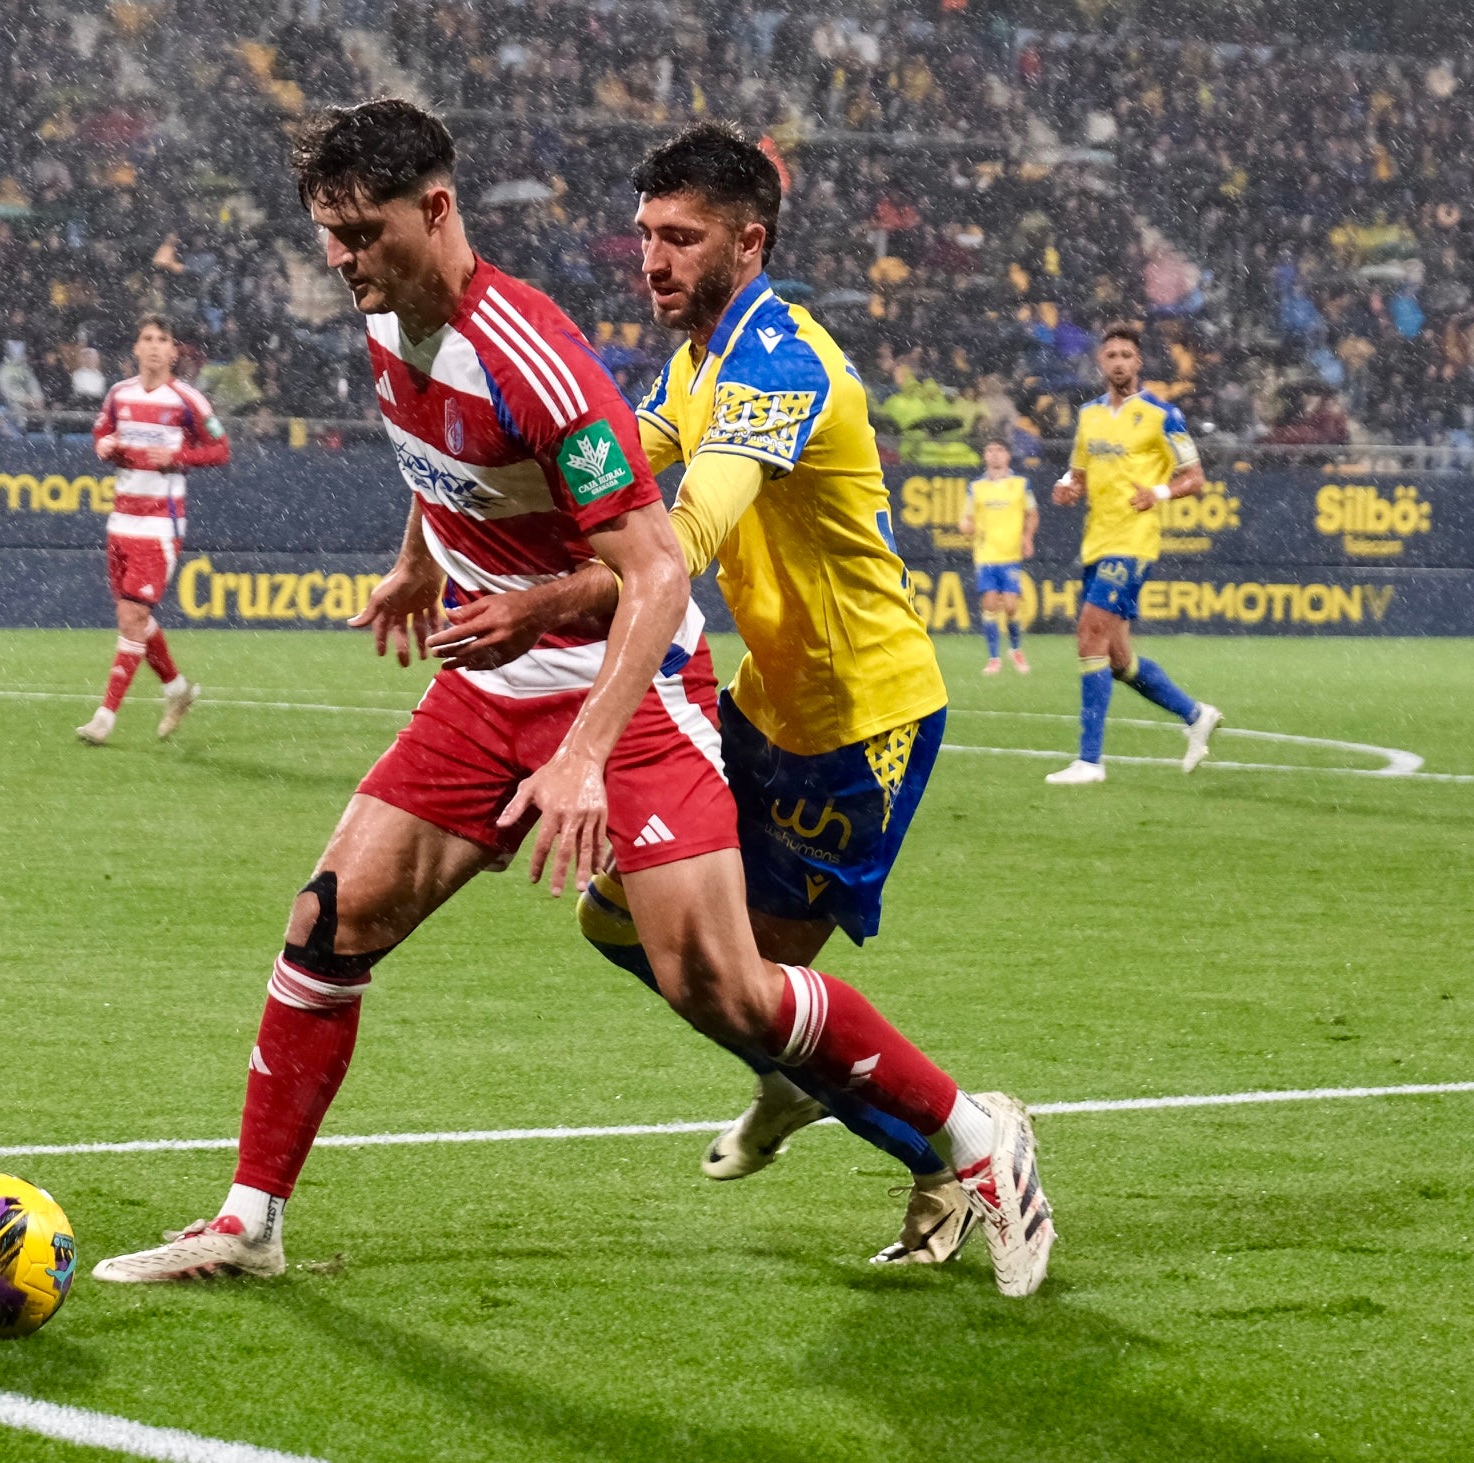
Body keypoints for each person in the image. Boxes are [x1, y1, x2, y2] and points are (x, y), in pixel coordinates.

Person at [90, 102, 1053, 1298]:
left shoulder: (625, 355)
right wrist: (418, 561)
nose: (338, 258)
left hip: (753, 699)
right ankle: (247, 1218)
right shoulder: (407, 321)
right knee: (327, 923)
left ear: (433, 211)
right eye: (326, 233)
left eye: (358, 231)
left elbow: (661, 556)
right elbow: (452, 463)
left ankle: (968, 1138)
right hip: (517, 689)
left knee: (732, 986)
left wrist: (583, 745)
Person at [424, 123, 1051, 1283]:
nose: (650, 260)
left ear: (746, 240)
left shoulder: (781, 364)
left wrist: (558, 593)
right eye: (645, 236)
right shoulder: (696, 362)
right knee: (626, 927)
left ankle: (969, 1146)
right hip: (765, 706)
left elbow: (693, 530)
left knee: (744, 984)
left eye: (679, 237)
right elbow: (614, 462)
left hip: (858, 721)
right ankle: (821, 1091)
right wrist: (446, 514)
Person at [1045, 327, 1222, 785]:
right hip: (1096, 541)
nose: (1119, 362)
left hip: (1134, 541)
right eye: (1112, 355)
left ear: (1138, 363)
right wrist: (1068, 486)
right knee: (1119, 659)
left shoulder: (1163, 415)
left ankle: (1089, 761)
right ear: (1101, 364)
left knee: (1088, 634)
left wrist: (1158, 492)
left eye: (1127, 354)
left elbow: (1195, 477)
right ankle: (1195, 714)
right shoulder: (1088, 417)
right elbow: (1079, 472)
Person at [78, 314, 230, 745]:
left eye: (163, 339)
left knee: (133, 616)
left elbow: (220, 449)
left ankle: (105, 717)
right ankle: (178, 691)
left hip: (160, 523)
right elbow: (101, 434)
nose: (155, 346)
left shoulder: (188, 400)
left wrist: (179, 459)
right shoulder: (118, 394)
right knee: (135, 620)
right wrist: (105, 447)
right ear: (136, 349)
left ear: (173, 350)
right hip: (120, 521)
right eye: (147, 338)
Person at [960, 437, 1036, 674]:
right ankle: (994, 658)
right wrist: (965, 527)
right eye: (990, 450)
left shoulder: (1021, 484)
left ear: (1007, 456)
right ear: (985, 456)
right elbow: (966, 519)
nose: (994, 454)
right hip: (986, 554)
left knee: (1012, 607)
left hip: (1010, 554)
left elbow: (1032, 514)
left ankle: (1015, 649)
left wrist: (1027, 537)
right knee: (990, 604)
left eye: (999, 450)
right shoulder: (976, 487)